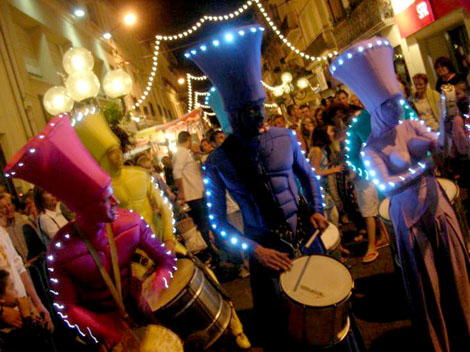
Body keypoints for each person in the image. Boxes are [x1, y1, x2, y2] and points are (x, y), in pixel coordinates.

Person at [188, 24, 331, 351]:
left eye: (259, 108)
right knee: (283, 331)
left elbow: (308, 177)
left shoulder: (286, 138)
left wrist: (319, 210)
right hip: (265, 249)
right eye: (247, 112)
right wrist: (256, 251)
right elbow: (218, 223)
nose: (257, 117)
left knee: (324, 315)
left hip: (305, 238)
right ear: (231, 115)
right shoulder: (218, 162)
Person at [331, 36, 470, 352]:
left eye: (398, 100)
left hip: (437, 208)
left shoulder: (411, 124)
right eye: (390, 104)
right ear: (377, 108)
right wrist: (425, 165)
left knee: (457, 271)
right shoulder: (371, 149)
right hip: (408, 216)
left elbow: (443, 146)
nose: (398, 107)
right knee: (428, 282)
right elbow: (388, 186)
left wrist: (449, 120)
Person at [4, 115, 175, 349]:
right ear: (86, 207)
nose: (115, 201)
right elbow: (67, 306)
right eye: (106, 198)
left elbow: (166, 259)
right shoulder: (61, 250)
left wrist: (157, 287)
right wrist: (105, 328)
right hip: (104, 335)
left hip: (144, 314)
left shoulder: (131, 224)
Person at [74, 112, 181, 255]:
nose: (117, 155)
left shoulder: (140, 175)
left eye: (118, 149)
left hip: (160, 240)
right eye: (111, 152)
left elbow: (164, 206)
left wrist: (169, 238)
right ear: (102, 157)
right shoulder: (98, 190)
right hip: (134, 254)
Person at [0, 216, 53, 332]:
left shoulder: (1, 232)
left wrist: (36, 303)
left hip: (25, 310)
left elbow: (19, 267)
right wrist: (2, 312)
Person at [173, 131, 210, 240]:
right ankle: (209, 247)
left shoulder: (184, 152)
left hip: (196, 193)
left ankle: (210, 245)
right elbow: (176, 172)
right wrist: (182, 192)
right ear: (188, 139)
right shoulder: (182, 152)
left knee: (203, 222)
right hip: (193, 194)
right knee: (202, 223)